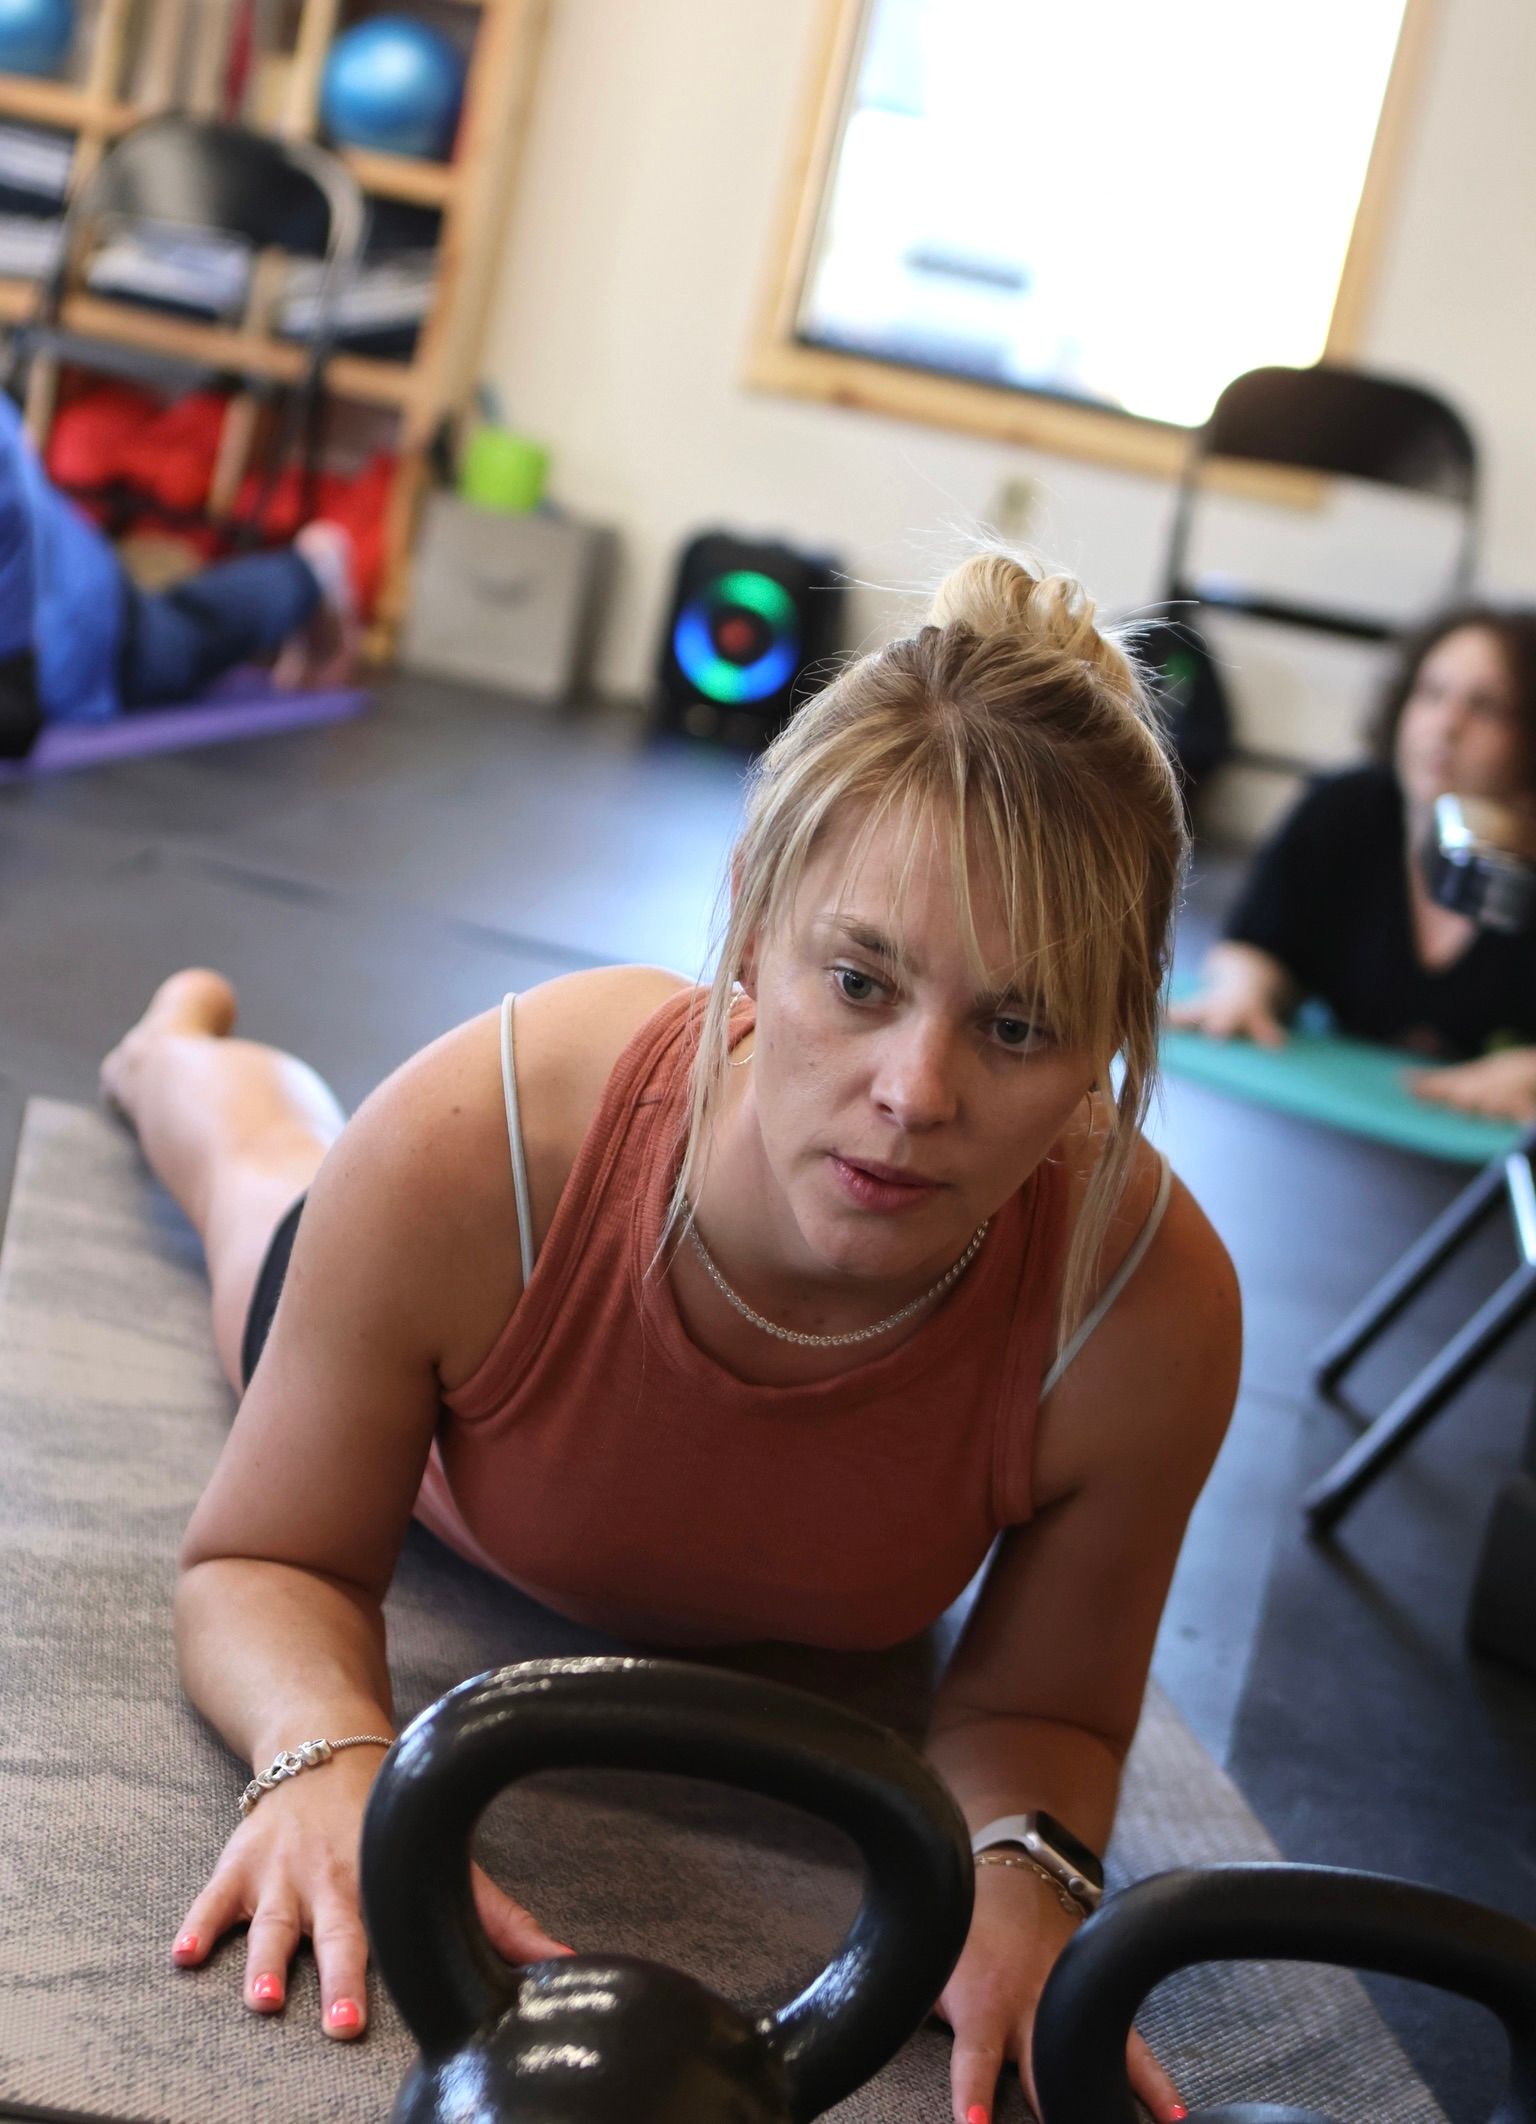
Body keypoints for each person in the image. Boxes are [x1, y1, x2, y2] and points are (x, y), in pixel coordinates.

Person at [99, 554, 1240, 2124]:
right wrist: (322, 1756)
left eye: (1019, 1025)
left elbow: (1040, 1713)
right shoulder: (476, 1141)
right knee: (254, 1179)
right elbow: (262, 1563)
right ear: (754, 938)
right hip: (451, 1374)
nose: (917, 1093)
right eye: (860, 981)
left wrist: (1021, 1865)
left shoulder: (1145, 1309)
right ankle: (172, 1051)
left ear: (1110, 1038)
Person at [1171, 606, 1536, 1124]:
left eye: (1487, 707)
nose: (1446, 725)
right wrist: (1245, 986)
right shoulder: (1345, 807)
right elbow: (1261, 943)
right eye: (1431, 694)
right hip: (1337, 1138)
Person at [0, 390, 358, 758]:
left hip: (85, 625)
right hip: (62, 569)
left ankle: (310, 571)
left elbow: (16, 708)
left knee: (182, 641)